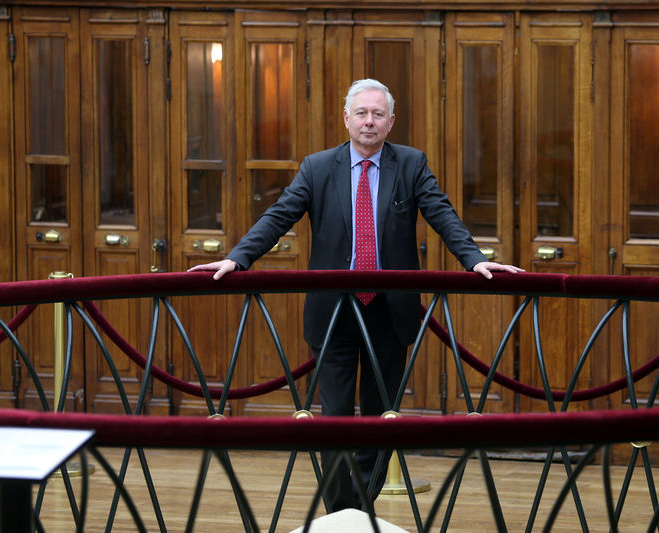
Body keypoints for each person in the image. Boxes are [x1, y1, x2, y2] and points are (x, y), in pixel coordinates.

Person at [188, 78, 524, 512]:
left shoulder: (412, 164)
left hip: (390, 311)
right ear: (346, 118)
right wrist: (236, 258)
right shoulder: (317, 166)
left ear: (391, 122)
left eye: (378, 114)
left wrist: (474, 259)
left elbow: (442, 213)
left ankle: (361, 513)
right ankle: (339, 514)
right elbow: (279, 216)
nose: (369, 121)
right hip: (333, 316)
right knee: (334, 421)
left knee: (380, 420)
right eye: (361, 113)